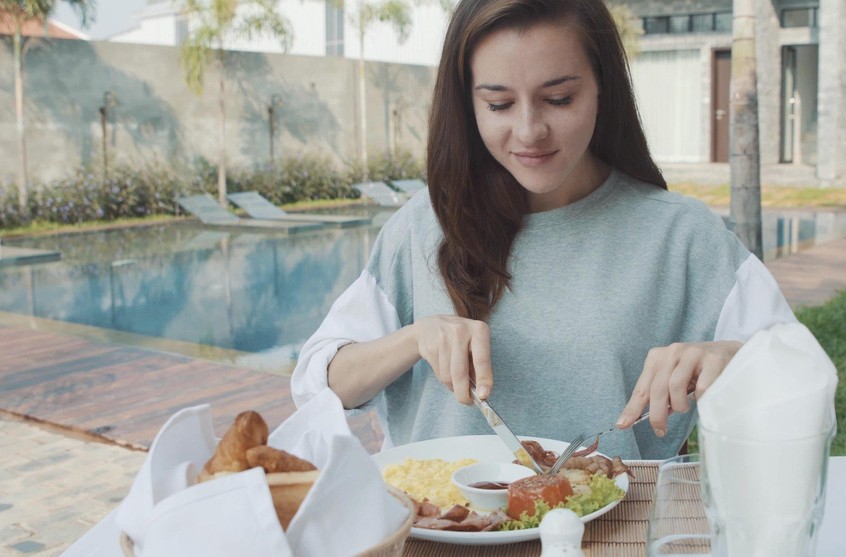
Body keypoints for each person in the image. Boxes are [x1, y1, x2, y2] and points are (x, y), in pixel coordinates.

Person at [291, 0, 795, 460]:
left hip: (616, 533)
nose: (530, 131)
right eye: (499, 105)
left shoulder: (682, 236)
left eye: (558, 98)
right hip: (435, 530)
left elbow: (802, 384)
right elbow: (319, 385)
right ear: (468, 105)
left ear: (602, 87)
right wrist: (414, 338)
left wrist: (730, 358)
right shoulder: (424, 225)